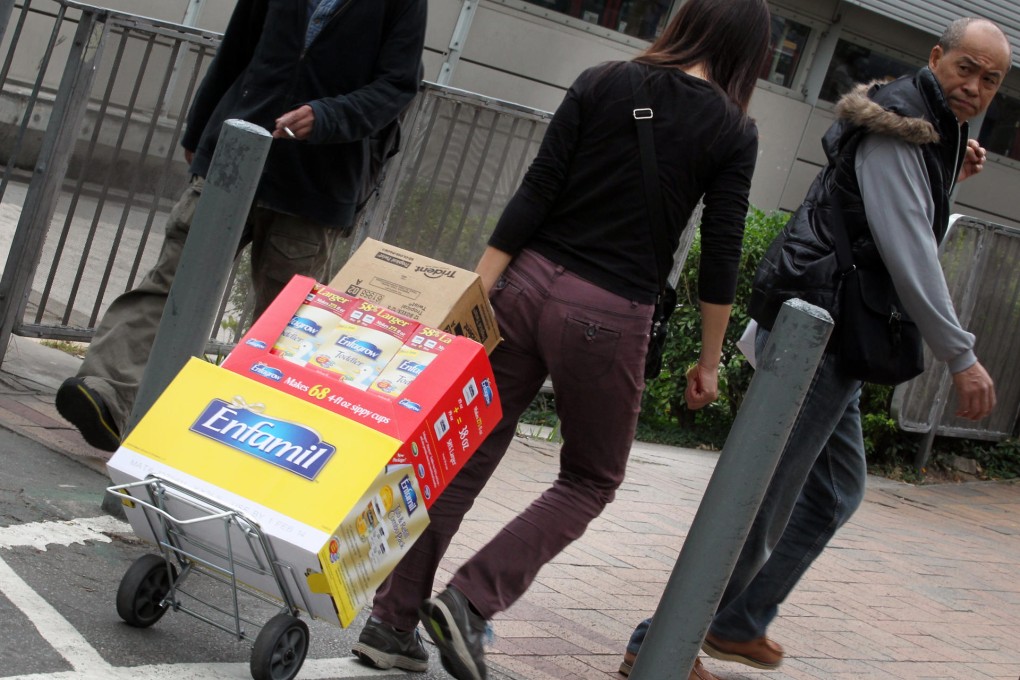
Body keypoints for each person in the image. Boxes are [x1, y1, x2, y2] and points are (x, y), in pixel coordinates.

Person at [349, 1, 772, 679]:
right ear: (750, 50)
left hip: (523, 284)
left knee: (462, 451)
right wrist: (710, 358)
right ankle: (471, 600)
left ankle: (390, 623)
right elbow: (720, 251)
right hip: (608, 313)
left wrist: (481, 285)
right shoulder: (731, 129)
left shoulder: (602, 80)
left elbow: (537, 188)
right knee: (590, 477)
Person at [623, 16, 1006, 676]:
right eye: (965, 68)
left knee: (832, 493)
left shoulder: (932, 129)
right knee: (761, 500)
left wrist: (951, 177)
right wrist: (960, 355)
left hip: (842, 332)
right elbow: (905, 244)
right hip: (822, 330)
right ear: (937, 57)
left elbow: (878, 214)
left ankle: (738, 620)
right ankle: (661, 642)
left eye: (991, 80)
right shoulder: (903, 124)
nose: (974, 86)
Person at [54, 0, 427, 452]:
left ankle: (252, 443)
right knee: (173, 279)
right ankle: (108, 393)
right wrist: (200, 131)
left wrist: (327, 116)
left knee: (287, 325)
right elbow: (237, 50)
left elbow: (397, 86)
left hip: (317, 182)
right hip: (233, 153)